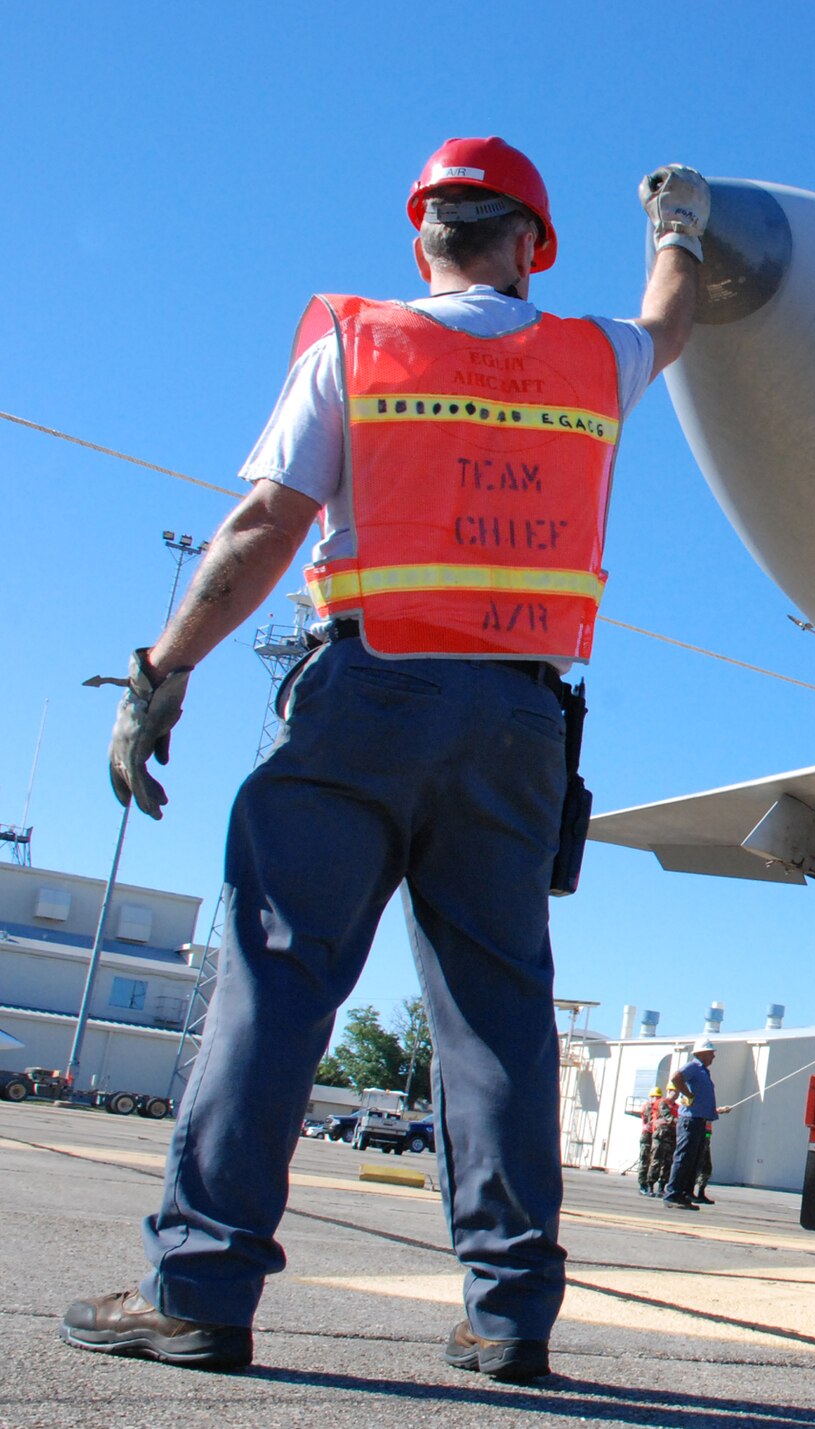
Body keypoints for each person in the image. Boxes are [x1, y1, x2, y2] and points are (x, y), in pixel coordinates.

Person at [59, 138, 711, 1382]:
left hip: (365, 697)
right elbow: (668, 324)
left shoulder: (357, 348)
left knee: (276, 981)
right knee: (497, 1019)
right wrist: (677, 225)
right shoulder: (591, 360)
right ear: (531, 247)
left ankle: (198, 1289)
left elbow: (266, 522)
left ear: (423, 238)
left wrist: (163, 670)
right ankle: (510, 1317)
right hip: (519, 728)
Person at [665, 1041, 729, 1209]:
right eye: (710, 1052)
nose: (713, 1056)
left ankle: (685, 1193)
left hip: (700, 1120)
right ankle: (673, 1194)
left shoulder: (703, 1071)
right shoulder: (693, 1066)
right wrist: (688, 1094)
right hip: (690, 1120)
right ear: (701, 1053)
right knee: (684, 1157)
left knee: (693, 1159)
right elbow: (676, 1078)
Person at [633, 1087, 669, 1197]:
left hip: (655, 1134)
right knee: (645, 1160)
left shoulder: (658, 1106)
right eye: (654, 1097)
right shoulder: (649, 1106)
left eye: (658, 1097)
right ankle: (643, 1185)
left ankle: (652, 1185)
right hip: (647, 1135)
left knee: (655, 1160)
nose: (655, 1099)